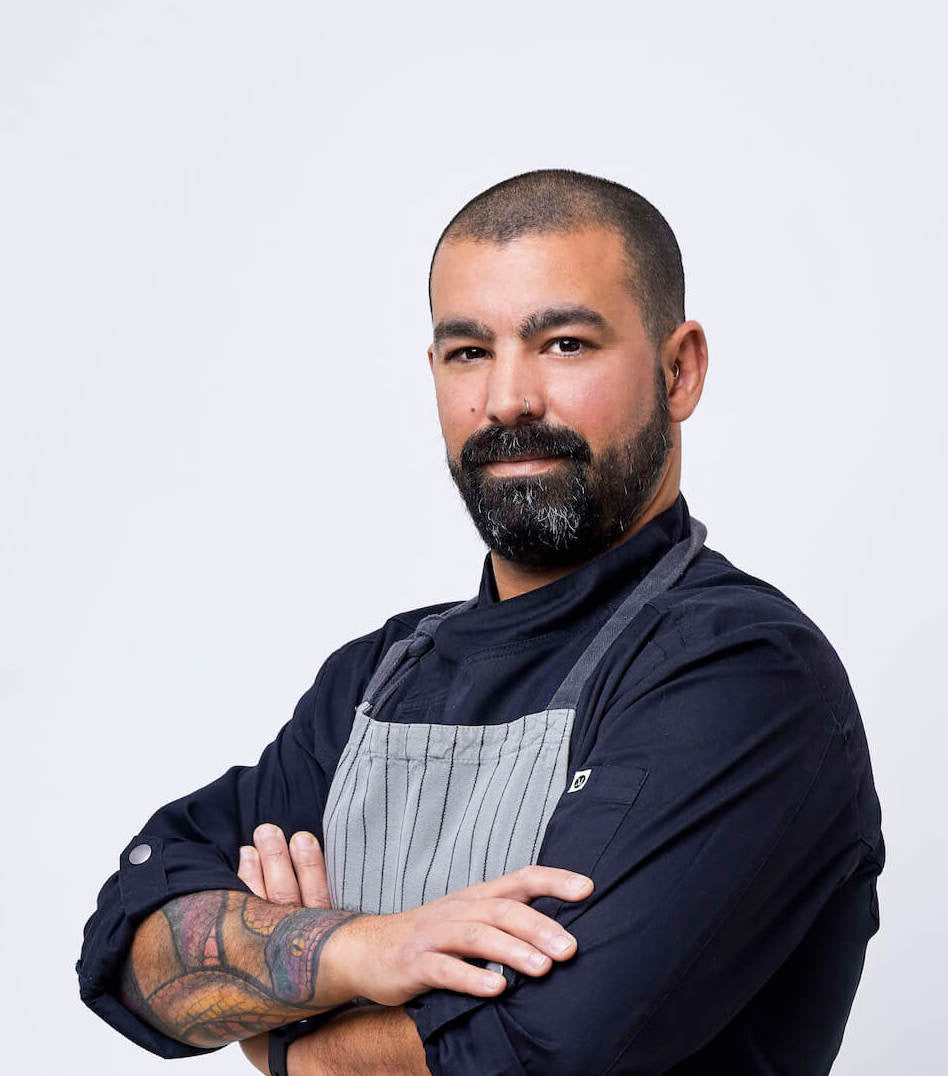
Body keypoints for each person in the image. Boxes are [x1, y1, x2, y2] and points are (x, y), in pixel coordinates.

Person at [77, 168, 885, 1075]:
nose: (507, 401)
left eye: (565, 344)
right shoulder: (374, 679)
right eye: (468, 352)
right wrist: (356, 954)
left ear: (679, 369)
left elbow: (545, 1051)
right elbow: (131, 938)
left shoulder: (741, 673)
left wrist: (282, 1040)